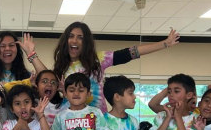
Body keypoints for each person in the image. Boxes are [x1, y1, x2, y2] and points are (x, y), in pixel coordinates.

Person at [50, 22, 180, 113]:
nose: (74, 40)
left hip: (97, 120)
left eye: (80, 37)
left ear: (86, 42)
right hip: (70, 119)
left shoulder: (97, 59)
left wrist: (164, 43)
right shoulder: (61, 66)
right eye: (71, 36)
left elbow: (130, 53)